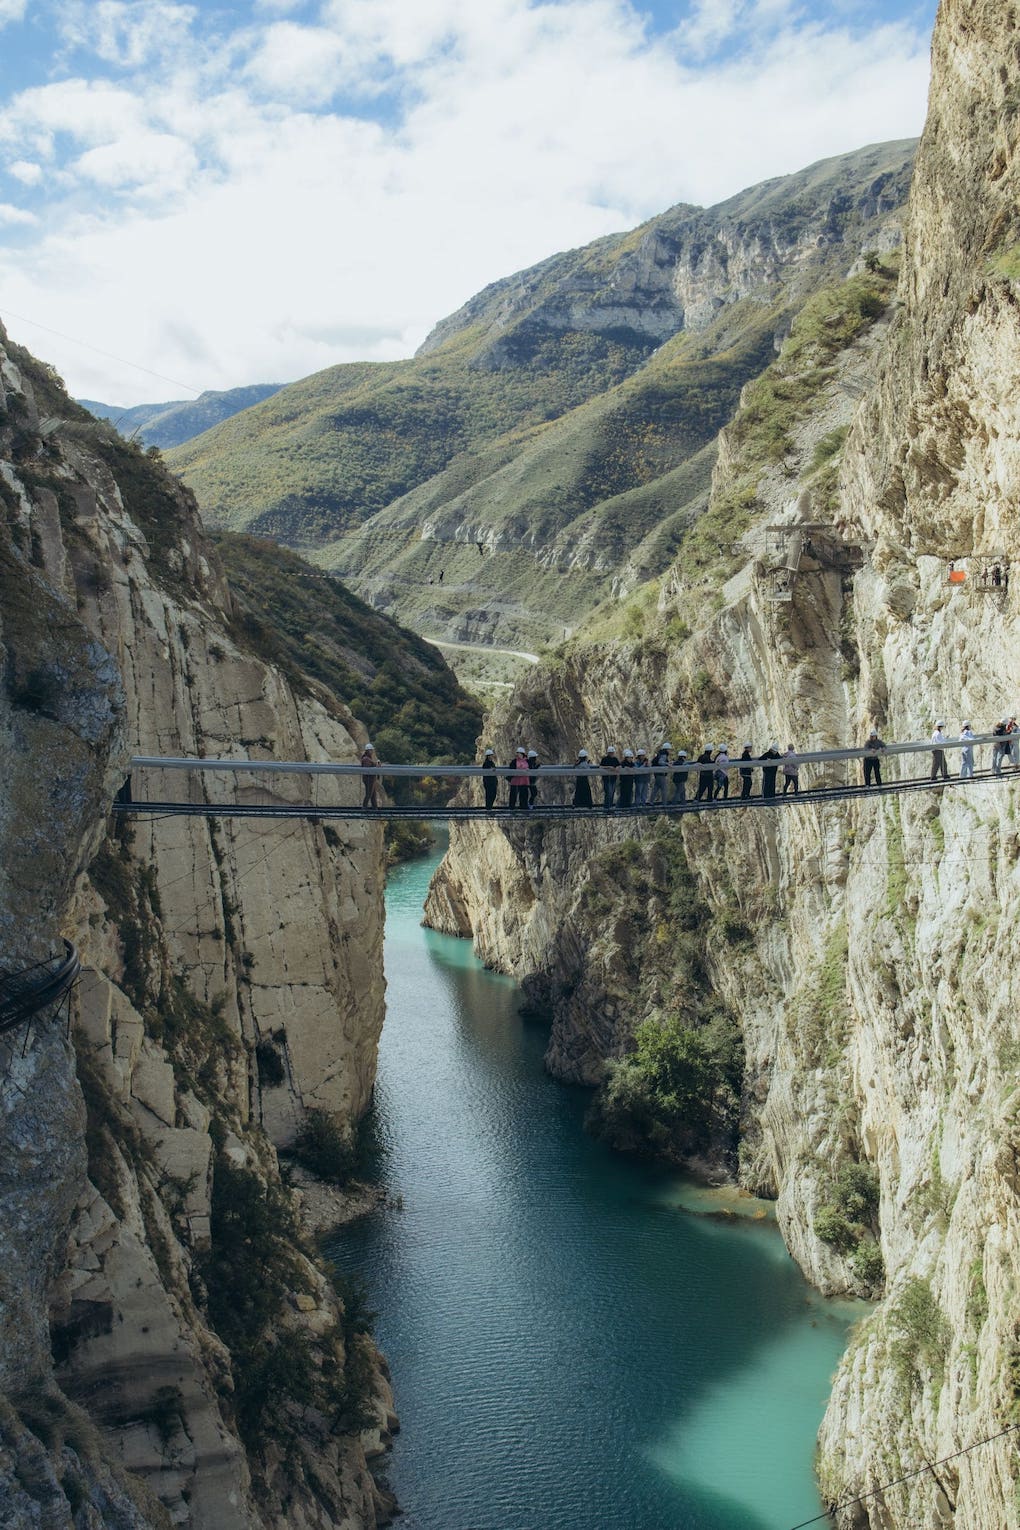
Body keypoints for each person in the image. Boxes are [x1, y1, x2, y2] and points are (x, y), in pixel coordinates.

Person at [599, 745, 620, 812]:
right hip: (607, 779)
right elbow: (601, 767)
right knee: (608, 793)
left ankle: (610, 807)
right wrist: (609, 767)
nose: (612, 754)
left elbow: (619, 765)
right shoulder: (604, 759)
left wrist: (617, 768)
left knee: (612, 793)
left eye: (612, 752)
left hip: (613, 779)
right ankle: (606, 807)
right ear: (608, 753)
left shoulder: (615, 759)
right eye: (611, 753)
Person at [361, 743, 380, 808]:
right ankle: (364, 807)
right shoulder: (366, 759)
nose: (372, 752)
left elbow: (371, 765)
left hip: (371, 780)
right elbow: (368, 769)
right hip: (369, 780)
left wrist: (375, 764)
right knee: (369, 794)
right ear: (367, 751)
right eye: (370, 750)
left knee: (373, 795)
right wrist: (376, 765)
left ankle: (375, 808)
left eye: (372, 750)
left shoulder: (368, 758)